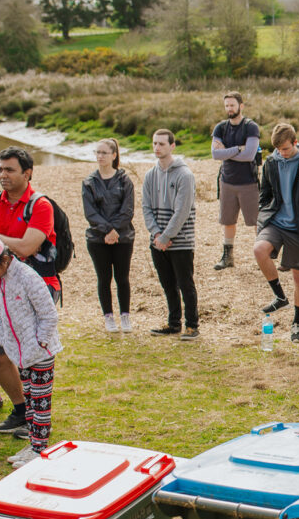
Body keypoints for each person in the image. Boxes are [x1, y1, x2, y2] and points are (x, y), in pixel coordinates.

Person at [0, 147, 59, 437]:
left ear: (27, 173)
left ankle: (37, 423)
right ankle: (21, 411)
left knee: (33, 357)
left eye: (10, 170)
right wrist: (4, 242)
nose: (3, 175)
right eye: (0, 169)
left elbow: (29, 247)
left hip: (35, 287)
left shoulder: (41, 206)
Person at [0, 236, 63, 469]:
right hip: (19, 352)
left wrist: (40, 342)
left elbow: (49, 314)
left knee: (41, 401)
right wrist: (6, 341)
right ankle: (33, 444)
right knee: (29, 399)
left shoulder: (27, 277)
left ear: (3, 260)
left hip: (40, 352)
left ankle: (41, 448)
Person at [253, 123, 299, 343]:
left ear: (295, 143)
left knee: (298, 277)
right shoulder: (272, 162)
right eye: (278, 150)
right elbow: (264, 191)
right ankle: (279, 296)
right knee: (259, 250)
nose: (282, 153)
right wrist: (265, 209)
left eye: (285, 149)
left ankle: (297, 323)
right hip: (275, 221)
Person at [142, 129, 199, 341]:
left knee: (185, 284)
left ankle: (192, 325)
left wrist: (167, 236)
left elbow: (182, 211)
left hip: (181, 241)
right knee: (168, 285)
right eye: (155, 143)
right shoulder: (150, 175)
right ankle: (174, 323)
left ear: (172, 146)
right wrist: (157, 234)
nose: (157, 148)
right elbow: (146, 207)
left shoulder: (185, 175)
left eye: (162, 144)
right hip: (157, 241)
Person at [80, 138, 136, 333]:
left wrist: (115, 231)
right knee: (103, 278)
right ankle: (108, 317)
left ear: (114, 155)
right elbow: (90, 213)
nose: (100, 156)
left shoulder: (124, 180)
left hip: (123, 237)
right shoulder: (89, 182)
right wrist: (107, 230)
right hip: (97, 238)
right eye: (97, 152)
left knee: (122, 277)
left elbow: (127, 210)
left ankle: (125, 316)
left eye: (104, 153)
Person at [210, 91, 261, 270]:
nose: (229, 108)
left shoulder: (251, 127)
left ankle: (263, 256)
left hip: (248, 182)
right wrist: (238, 149)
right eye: (226, 105)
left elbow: (249, 155)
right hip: (227, 181)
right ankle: (228, 257)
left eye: (232, 105)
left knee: (256, 221)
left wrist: (228, 152)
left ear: (241, 106)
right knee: (228, 220)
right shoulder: (220, 128)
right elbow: (215, 154)